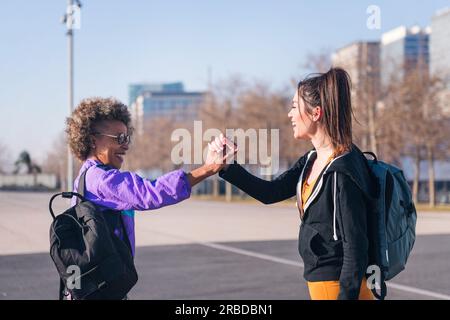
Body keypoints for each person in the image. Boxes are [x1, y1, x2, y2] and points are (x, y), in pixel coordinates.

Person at [210, 68, 377, 300]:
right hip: (324, 284)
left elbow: (355, 245)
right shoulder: (311, 160)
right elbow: (271, 192)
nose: (289, 114)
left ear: (316, 113)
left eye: (294, 106)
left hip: (337, 287)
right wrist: (228, 167)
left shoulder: (342, 169)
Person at [65, 97, 235, 299]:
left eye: (127, 138)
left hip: (99, 285)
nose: (126, 145)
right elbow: (150, 193)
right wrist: (207, 169)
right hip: (103, 289)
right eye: (119, 138)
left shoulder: (86, 176)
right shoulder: (101, 178)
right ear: (93, 140)